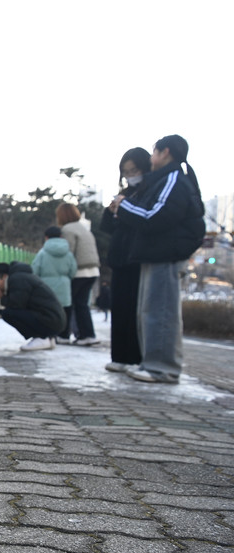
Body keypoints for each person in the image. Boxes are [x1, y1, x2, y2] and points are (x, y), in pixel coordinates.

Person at [110, 134, 206, 384]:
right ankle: (153, 363)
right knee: (150, 310)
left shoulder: (173, 179)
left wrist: (124, 205)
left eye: (154, 152)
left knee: (160, 311)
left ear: (165, 153)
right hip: (157, 254)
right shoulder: (168, 179)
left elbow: (155, 216)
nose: (151, 159)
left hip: (165, 254)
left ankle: (161, 367)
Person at [99, 147, 149, 372]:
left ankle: (135, 357)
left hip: (137, 259)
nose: (131, 175)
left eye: (134, 170)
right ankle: (120, 356)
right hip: (119, 259)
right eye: (126, 171)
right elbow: (108, 228)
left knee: (134, 310)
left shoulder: (149, 192)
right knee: (118, 309)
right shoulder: (125, 194)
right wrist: (110, 212)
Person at [0, 261, 66, 351]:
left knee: (7, 313)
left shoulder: (17, 279)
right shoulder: (21, 276)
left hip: (52, 320)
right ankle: (46, 338)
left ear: (4, 276)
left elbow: (16, 304)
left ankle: (41, 337)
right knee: (9, 312)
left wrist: (2, 298)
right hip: (54, 320)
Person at [56, 203, 101, 346]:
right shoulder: (84, 228)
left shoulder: (68, 229)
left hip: (79, 271)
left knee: (68, 303)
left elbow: (67, 254)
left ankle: (63, 335)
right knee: (82, 304)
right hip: (93, 271)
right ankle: (87, 334)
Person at [32, 226, 77, 326]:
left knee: (49, 311)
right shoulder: (68, 253)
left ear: (46, 237)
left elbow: (35, 270)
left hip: (46, 286)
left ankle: (50, 334)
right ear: (61, 236)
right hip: (64, 285)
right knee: (65, 310)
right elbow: (73, 269)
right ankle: (64, 335)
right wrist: (66, 278)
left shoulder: (42, 253)